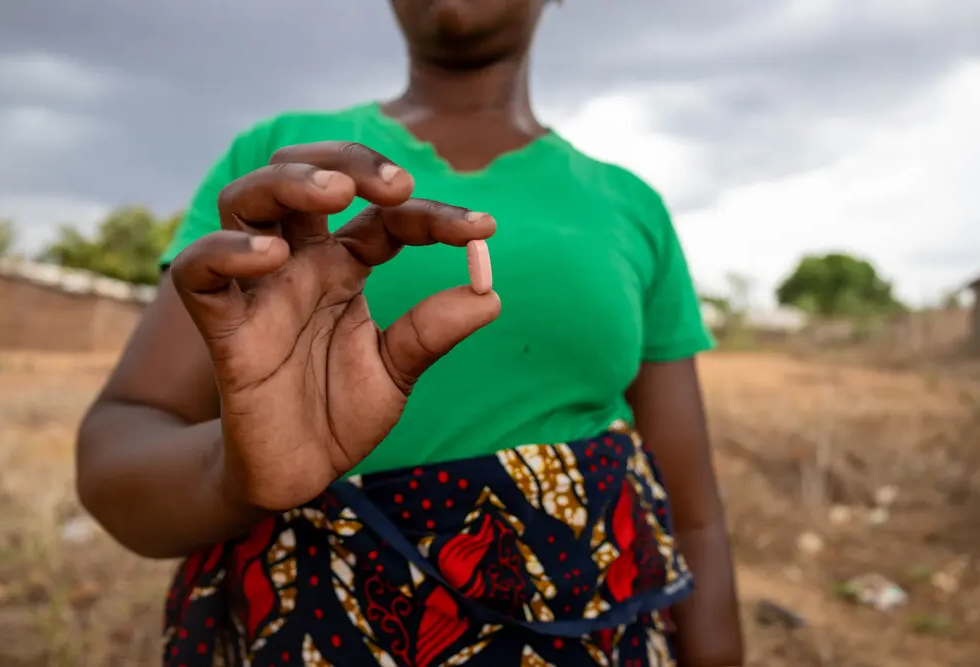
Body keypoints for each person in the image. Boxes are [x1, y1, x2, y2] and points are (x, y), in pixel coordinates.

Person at [76, 1, 743, 665]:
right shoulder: (283, 177)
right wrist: (235, 469)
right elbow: (119, 452)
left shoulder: (629, 206)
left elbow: (695, 517)